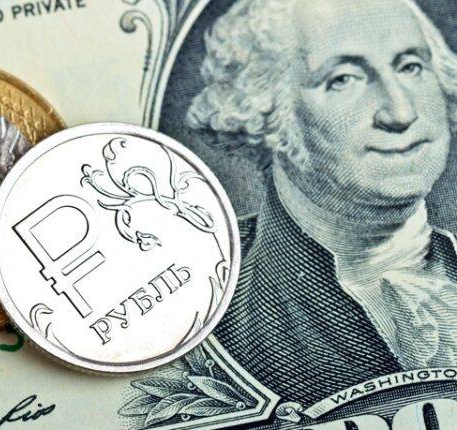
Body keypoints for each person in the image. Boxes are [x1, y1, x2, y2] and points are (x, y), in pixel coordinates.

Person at [187, 0, 457, 405]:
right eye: (343, 79)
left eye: (410, 67)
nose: (400, 112)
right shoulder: (205, 295)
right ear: (265, 111)